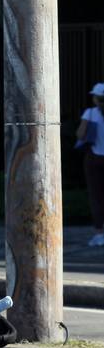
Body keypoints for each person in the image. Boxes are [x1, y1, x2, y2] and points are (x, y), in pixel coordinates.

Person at [76, 83, 104, 247]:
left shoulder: (90, 113)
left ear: (95, 98)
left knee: (96, 196)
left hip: (94, 158)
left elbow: (80, 133)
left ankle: (100, 233)